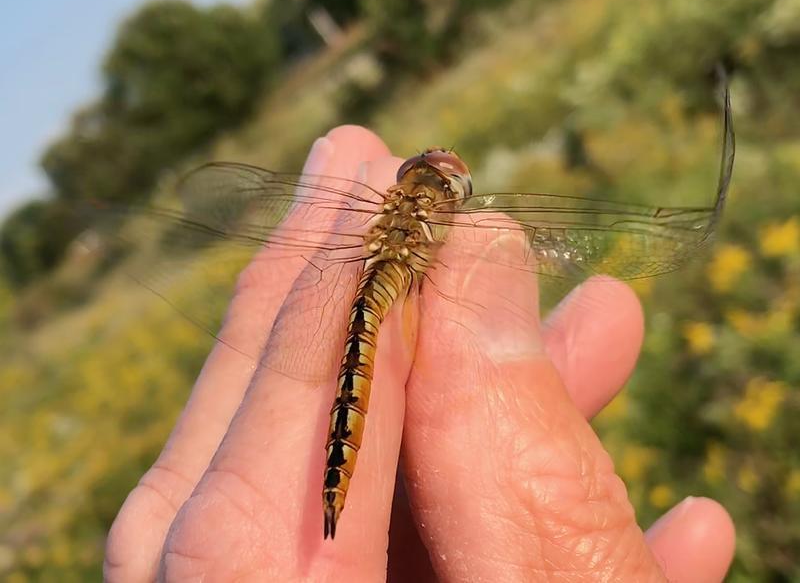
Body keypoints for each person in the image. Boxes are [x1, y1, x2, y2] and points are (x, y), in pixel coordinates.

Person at [103, 126, 735, 582]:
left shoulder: (373, 214)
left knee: (358, 357)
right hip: (386, 309)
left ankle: (329, 491)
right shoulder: (450, 225)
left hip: (359, 301)